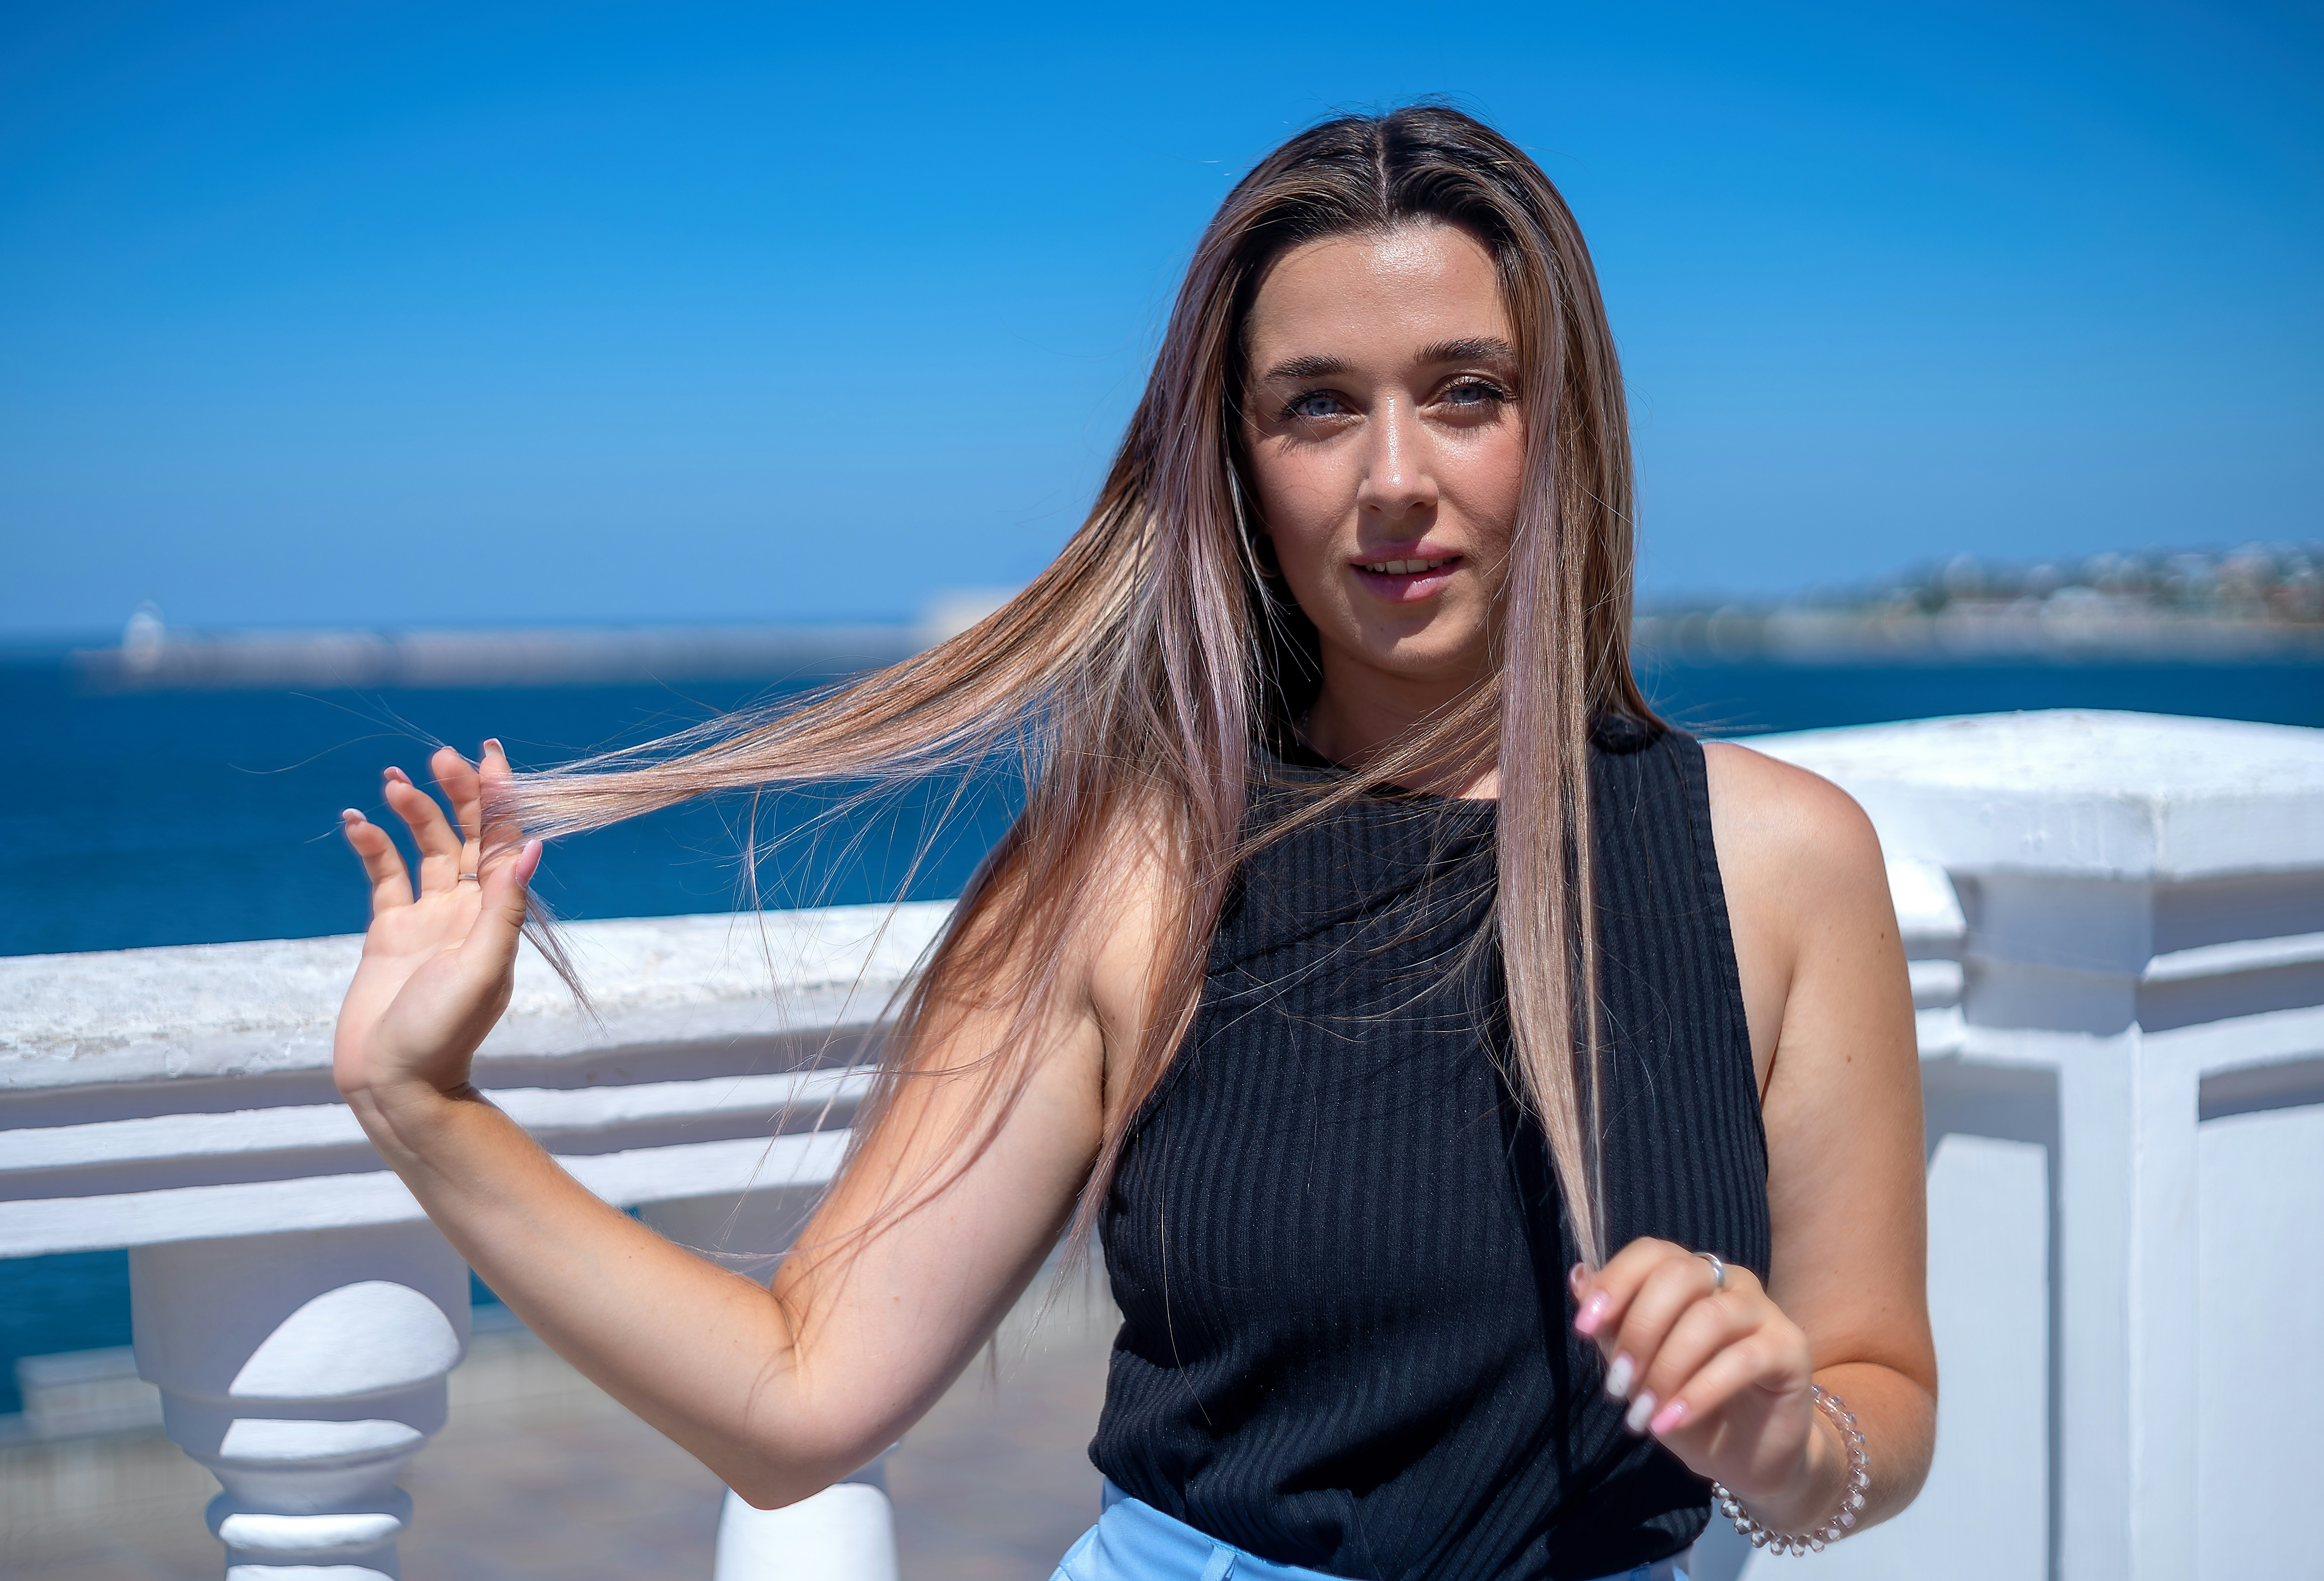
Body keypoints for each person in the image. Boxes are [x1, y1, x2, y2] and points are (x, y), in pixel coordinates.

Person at [334, 105, 1933, 1581]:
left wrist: (1790, 1442)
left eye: (1465, 392)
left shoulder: (1780, 862)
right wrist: (424, 1107)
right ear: (1239, 461)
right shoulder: (1130, 863)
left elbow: (1885, 1388)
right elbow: (799, 1391)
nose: (1395, 481)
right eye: (1319, 407)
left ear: (1560, 420)